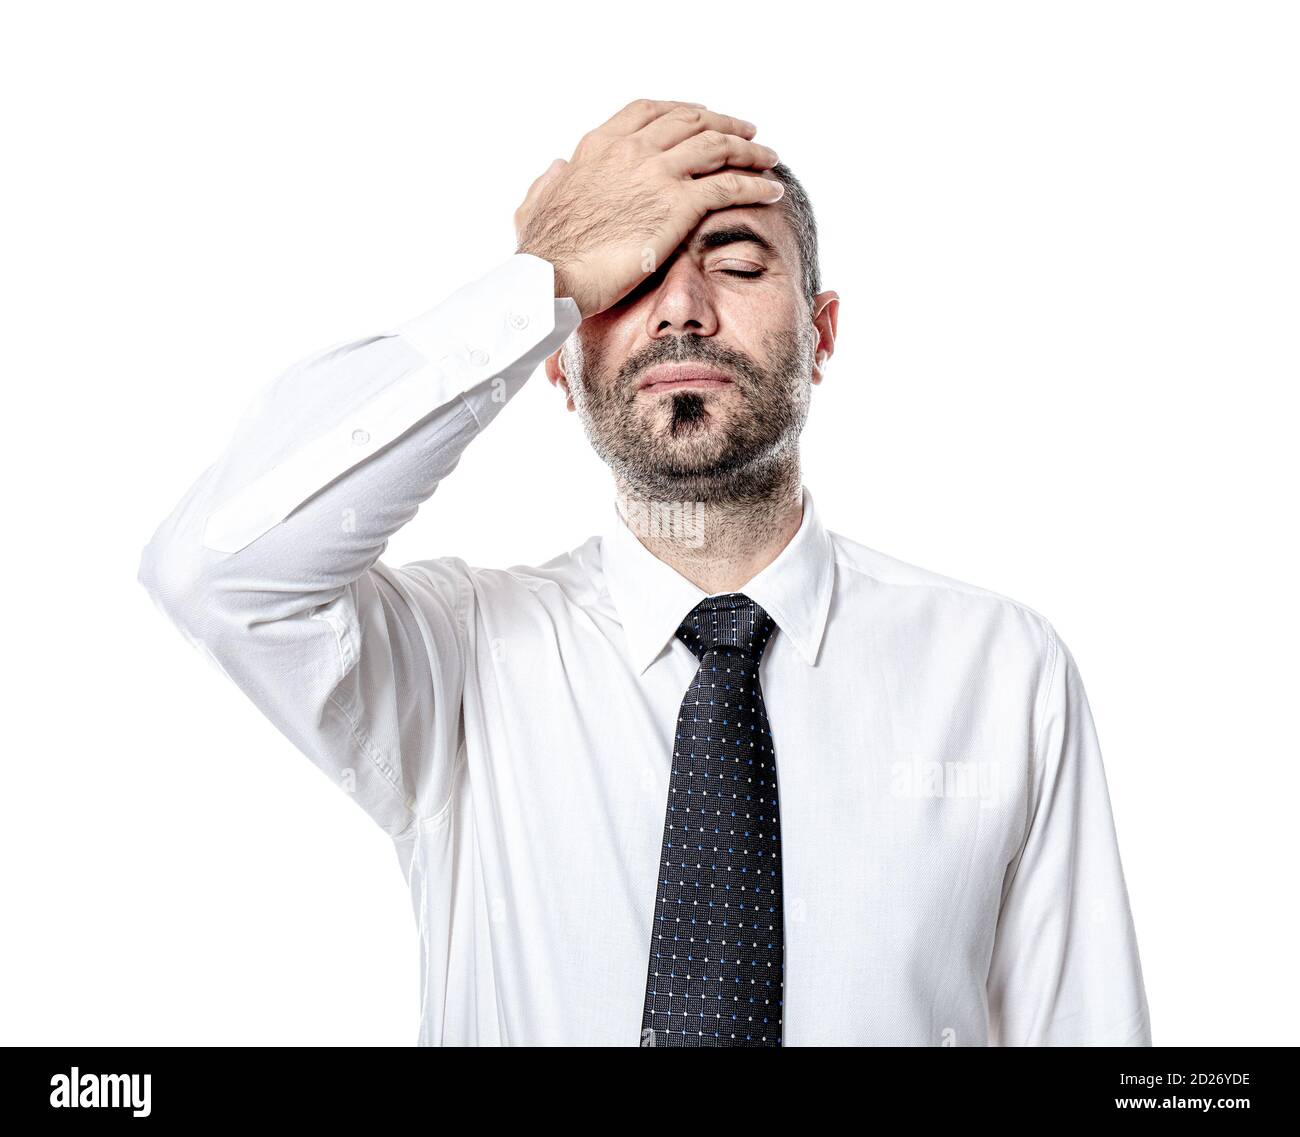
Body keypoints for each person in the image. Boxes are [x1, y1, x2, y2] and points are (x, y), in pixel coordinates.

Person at [138, 99, 1150, 1047]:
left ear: (822, 332)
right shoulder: (456, 664)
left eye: (738, 265)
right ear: (555, 360)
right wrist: (534, 281)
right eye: (624, 278)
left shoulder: (1000, 668)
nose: (680, 310)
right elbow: (217, 570)